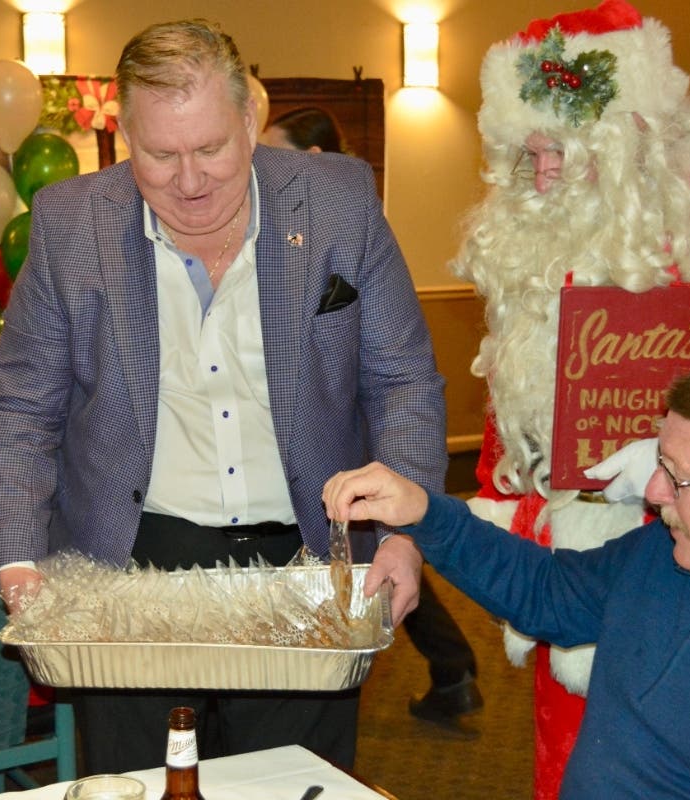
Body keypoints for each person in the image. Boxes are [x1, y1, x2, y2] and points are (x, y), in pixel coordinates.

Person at [0, 18, 446, 774]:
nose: (189, 181)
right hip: (128, 570)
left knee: (293, 783)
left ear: (251, 122)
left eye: (211, 149)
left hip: (305, 561)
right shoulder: (70, 224)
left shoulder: (339, 202)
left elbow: (402, 381)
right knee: (141, 786)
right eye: (159, 155)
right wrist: (18, 565)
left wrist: (404, 532)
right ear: (125, 135)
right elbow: (22, 410)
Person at [449, 1, 690, 794]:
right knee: (581, 762)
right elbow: (514, 380)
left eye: (556, 151)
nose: (536, 176)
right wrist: (504, 494)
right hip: (580, 560)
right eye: (522, 153)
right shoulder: (535, 223)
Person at [324, 351, 690, 800]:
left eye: (678, 477)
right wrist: (424, 511)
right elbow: (545, 592)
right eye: (659, 464)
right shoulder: (661, 551)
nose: (653, 493)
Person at [263, 103, 483, 736]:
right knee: (385, 555)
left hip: (356, 445)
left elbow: (396, 368)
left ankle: (453, 665)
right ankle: (453, 666)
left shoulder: (354, 226)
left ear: (310, 160)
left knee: (380, 553)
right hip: (337, 465)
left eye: (276, 154)